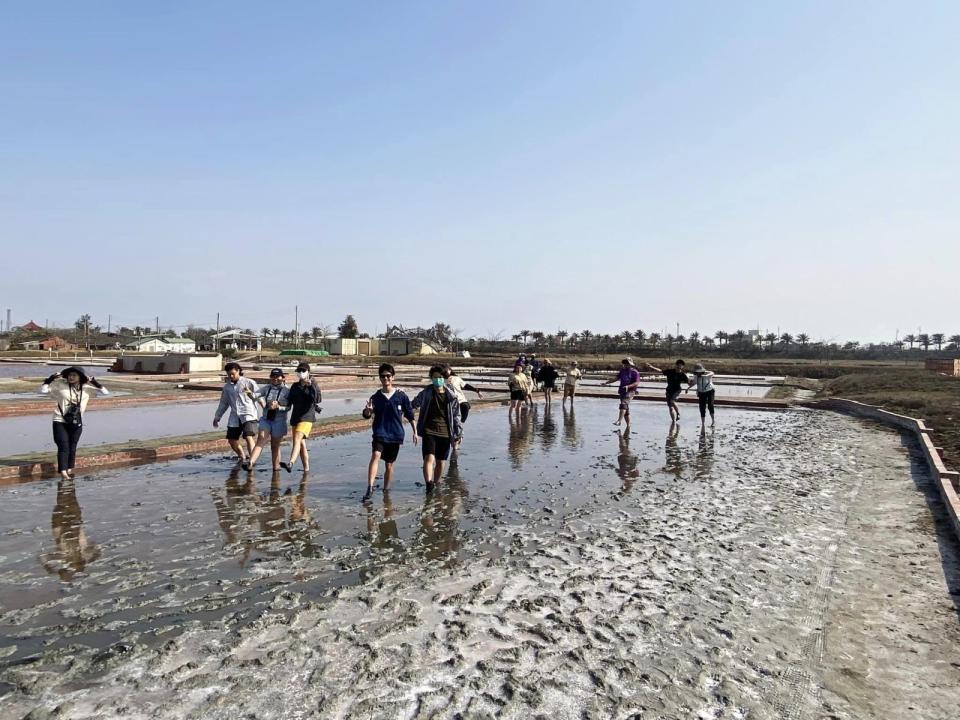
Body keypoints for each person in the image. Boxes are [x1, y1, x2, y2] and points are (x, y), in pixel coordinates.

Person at [361, 363, 418, 502]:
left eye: (388, 376)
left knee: (389, 465)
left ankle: (386, 490)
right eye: (382, 376)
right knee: (375, 455)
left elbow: (410, 415)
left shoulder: (401, 396)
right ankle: (370, 487)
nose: (385, 378)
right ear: (380, 378)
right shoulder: (375, 397)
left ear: (393, 377)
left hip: (395, 434)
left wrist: (415, 432)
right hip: (380, 432)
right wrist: (368, 411)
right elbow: (367, 414)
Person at [40, 366, 109, 480]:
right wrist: (49, 379)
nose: (71, 377)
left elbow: (105, 392)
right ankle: (63, 472)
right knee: (63, 446)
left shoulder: (86, 388)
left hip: (76, 422)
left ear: (80, 377)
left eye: (74, 375)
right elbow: (42, 390)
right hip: (60, 420)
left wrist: (94, 382)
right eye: (69, 375)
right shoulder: (60, 385)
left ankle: (69, 468)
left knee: (72, 447)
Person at [412, 366, 462, 494]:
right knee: (429, 458)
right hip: (429, 430)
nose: (438, 380)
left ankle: (435, 482)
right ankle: (429, 484)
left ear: (444, 379)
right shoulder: (426, 392)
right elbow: (414, 403)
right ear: (431, 378)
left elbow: (456, 415)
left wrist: (458, 432)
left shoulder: (451, 396)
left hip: (446, 432)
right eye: (435, 377)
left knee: (441, 461)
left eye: (440, 377)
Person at [213, 362, 261, 465]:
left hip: (248, 414)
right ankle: (242, 457)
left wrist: (265, 409)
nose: (231, 376)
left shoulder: (249, 382)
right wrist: (217, 417)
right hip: (235, 415)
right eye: (229, 374)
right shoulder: (227, 387)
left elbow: (259, 396)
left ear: (238, 371)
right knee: (231, 439)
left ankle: (252, 460)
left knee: (248, 436)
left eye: (233, 374)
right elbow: (224, 403)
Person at [245, 368, 291, 471]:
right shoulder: (266, 388)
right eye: (273, 376)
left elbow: (289, 407)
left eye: (277, 376)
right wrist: (249, 393)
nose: (275, 379)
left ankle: (276, 469)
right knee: (261, 439)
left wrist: (278, 406)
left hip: (279, 420)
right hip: (266, 419)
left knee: (275, 445)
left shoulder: (287, 391)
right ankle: (250, 463)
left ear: (282, 378)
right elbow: (255, 395)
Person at [281, 362, 322, 473]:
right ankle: (306, 469)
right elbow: (289, 401)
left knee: (297, 439)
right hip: (296, 418)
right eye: (299, 371)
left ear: (308, 372)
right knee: (301, 444)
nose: (301, 373)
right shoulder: (295, 386)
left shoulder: (313, 384)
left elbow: (317, 399)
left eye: (303, 371)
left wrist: (311, 386)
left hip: (307, 418)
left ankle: (290, 463)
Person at [442, 365, 484, 440]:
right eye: (445, 370)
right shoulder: (441, 380)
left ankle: (461, 425)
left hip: (460, 400)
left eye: (448, 370)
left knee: (466, 406)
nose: (447, 371)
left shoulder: (456, 378)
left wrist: (477, 391)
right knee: (453, 421)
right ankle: (455, 438)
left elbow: (466, 385)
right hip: (450, 403)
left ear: (450, 370)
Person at [602, 357, 641, 427]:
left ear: (631, 364)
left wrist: (628, 386)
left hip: (630, 391)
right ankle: (628, 426)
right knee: (625, 408)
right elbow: (616, 378)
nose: (625, 365)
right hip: (622, 391)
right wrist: (606, 383)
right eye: (624, 363)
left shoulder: (635, 372)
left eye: (627, 363)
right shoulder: (622, 371)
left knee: (623, 404)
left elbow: (636, 383)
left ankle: (619, 421)